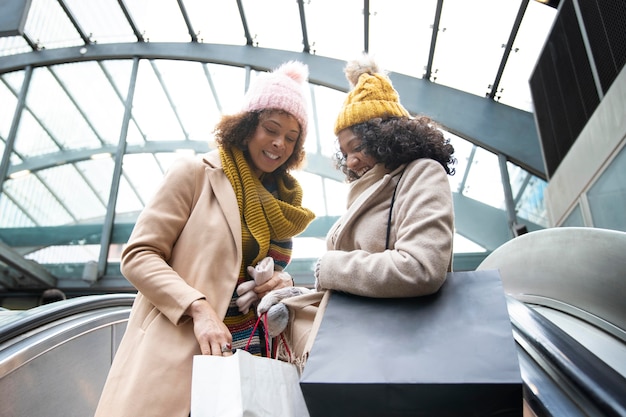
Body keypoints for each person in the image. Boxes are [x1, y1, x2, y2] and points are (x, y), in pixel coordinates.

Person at [94, 61, 316, 417]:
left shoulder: (283, 202)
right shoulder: (195, 173)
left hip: (247, 361)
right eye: (271, 129)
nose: (280, 143)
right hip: (183, 350)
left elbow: (257, 272)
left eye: (291, 138)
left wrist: (280, 282)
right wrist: (198, 308)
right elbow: (138, 255)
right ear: (246, 127)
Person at [259, 54, 456, 359]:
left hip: (396, 350)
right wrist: (301, 298)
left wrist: (330, 267)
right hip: (364, 345)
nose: (350, 161)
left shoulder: (421, 173)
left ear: (388, 137)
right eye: (344, 152)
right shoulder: (368, 189)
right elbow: (359, 283)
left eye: (358, 147)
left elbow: (420, 268)